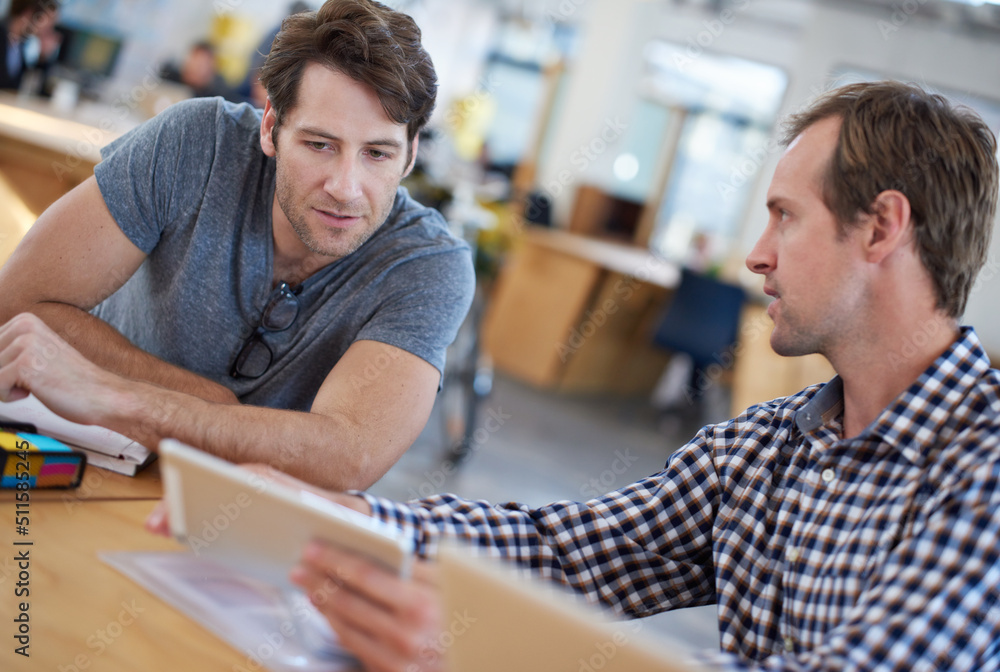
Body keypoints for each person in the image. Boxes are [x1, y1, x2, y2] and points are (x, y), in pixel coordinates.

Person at [194, 80, 998, 671]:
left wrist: (491, 652)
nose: (757, 253)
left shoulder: (983, 469)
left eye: (785, 215)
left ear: (882, 228)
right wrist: (346, 518)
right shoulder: (770, 447)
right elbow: (568, 553)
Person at [0, 0, 475, 490]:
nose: (346, 187)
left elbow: (350, 455)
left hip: (231, 517)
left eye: (377, 153)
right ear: (271, 127)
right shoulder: (195, 143)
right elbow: (20, 302)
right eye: (319, 144)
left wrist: (118, 395)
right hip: (84, 457)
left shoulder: (428, 264)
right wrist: (216, 405)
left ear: (411, 154)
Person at [0, 0, 58, 91]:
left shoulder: (21, 43)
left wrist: (43, 58)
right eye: (48, 21)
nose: (49, 30)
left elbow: (31, 87)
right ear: (29, 13)